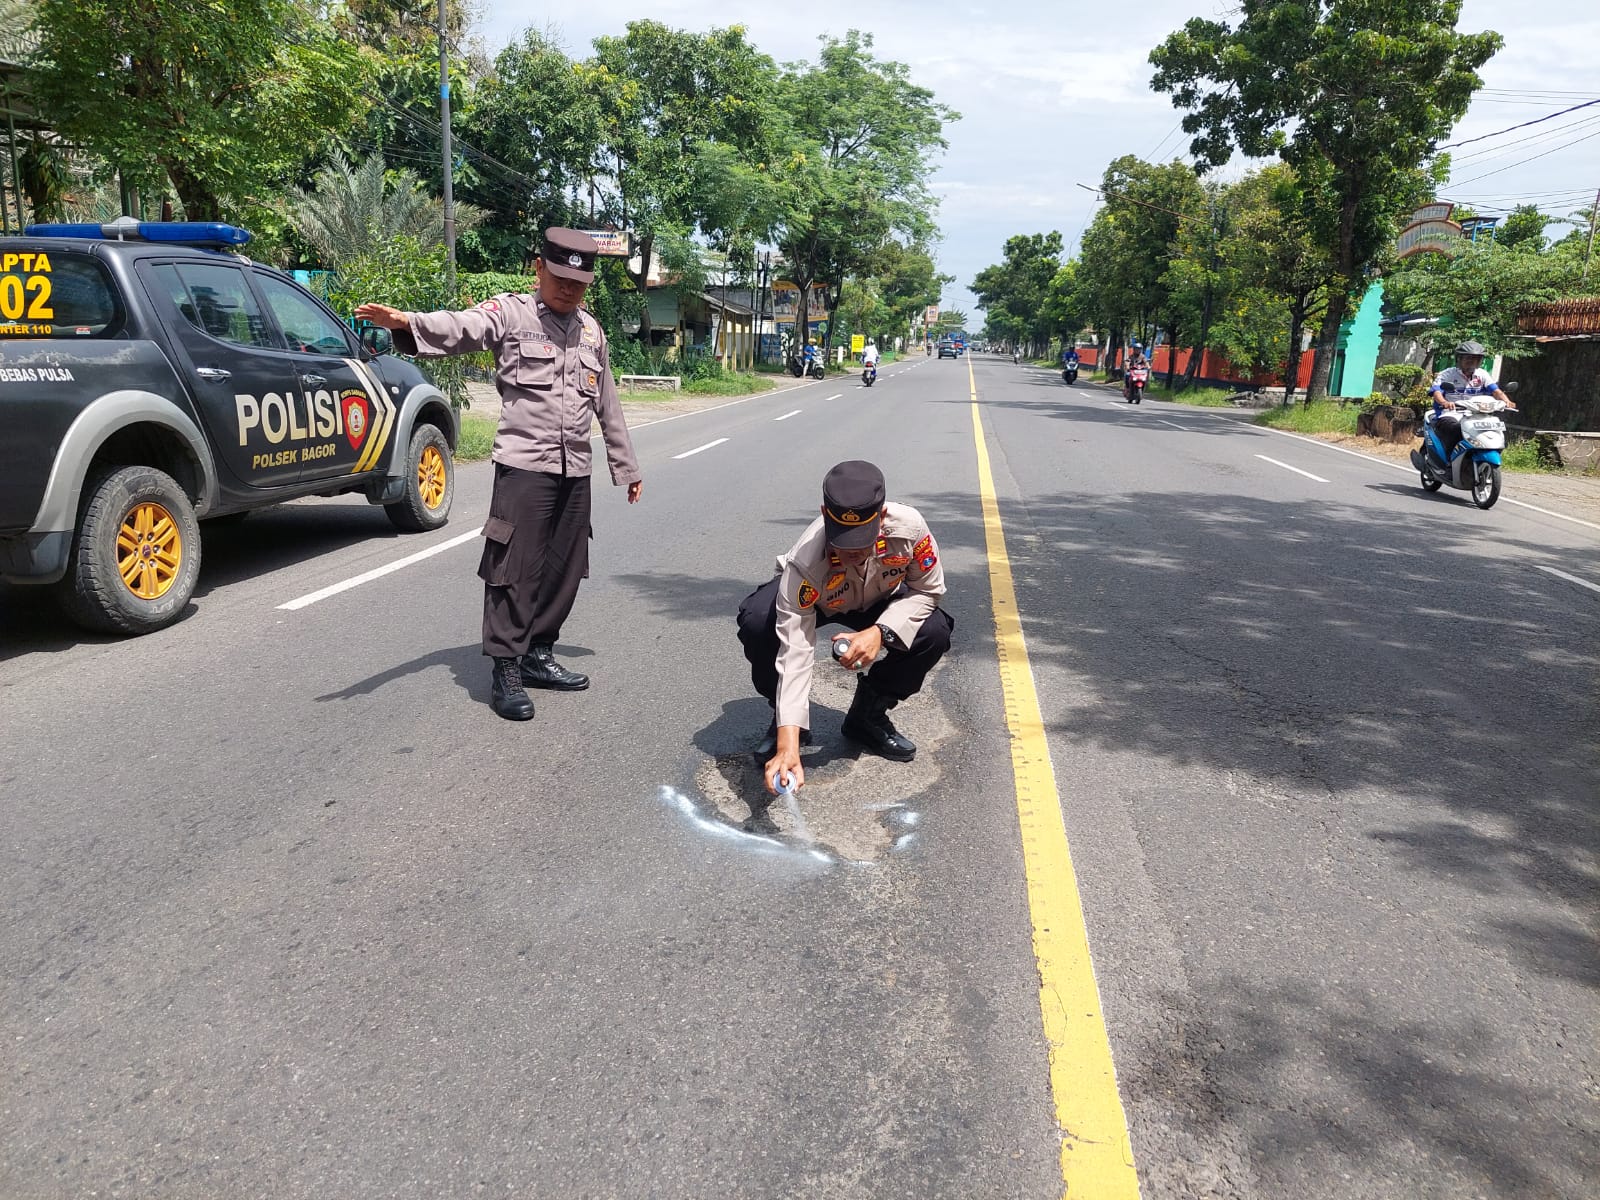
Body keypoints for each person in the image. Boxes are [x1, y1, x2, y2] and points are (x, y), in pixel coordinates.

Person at [355, 228, 643, 723]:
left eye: (578, 282)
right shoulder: (512, 313)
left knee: (565, 568)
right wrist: (408, 323)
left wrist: (626, 466)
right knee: (513, 569)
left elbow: (607, 404)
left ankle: (538, 654)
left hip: (575, 469)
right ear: (538, 268)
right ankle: (506, 669)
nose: (568, 289)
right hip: (524, 467)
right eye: (559, 278)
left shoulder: (592, 332)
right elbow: (462, 327)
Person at [736, 461, 955, 794]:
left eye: (862, 541)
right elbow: (795, 650)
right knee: (757, 621)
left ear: (881, 517)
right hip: (822, 600)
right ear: (825, 513)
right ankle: (787, 720)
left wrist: (880, 631)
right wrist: (787, 745)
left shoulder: (909, 528)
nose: (853, 553)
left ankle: (867, 715)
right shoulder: (806, 561)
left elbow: (929, 590)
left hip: (882, 600)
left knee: (934, 632)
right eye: (844, 542)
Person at [1428, 339, 1517, 457]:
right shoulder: (1447, 374)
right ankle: (1449, 459)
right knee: (1455, 429)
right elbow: (1437, 392)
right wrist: (1444, 402)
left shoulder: (1482, 374)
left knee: (1495, 429)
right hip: (1452, 413)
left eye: (1475, 358)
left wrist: (1506, 401)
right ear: (1459, 359)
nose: (1471, 362)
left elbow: (1496, 391)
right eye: (1468, 358)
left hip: (1477, 414)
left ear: (1480, 361)